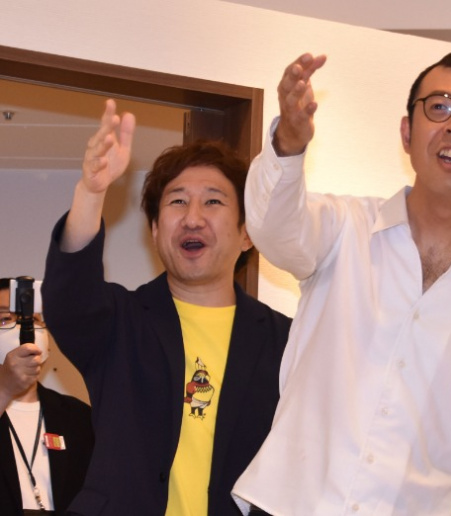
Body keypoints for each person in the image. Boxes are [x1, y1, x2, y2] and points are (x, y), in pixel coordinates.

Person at [232, 50, 451, 514]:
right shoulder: (342, 228)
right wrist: (289, 143)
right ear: (407, 133)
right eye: (439, 106)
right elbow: (271, 228)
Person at [41, 100, 291, 515]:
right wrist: (91, 192)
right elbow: (69, 299)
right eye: (177, 202)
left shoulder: (285, 341)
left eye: (213, 202)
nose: (193, 218)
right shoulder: (120, 321)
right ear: (155, 231)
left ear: (247, 234)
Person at [0, 277, 94, 515]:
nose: (21, 329)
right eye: (4, 319)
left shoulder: (78, 417)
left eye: (32, 319)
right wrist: (5, 390)